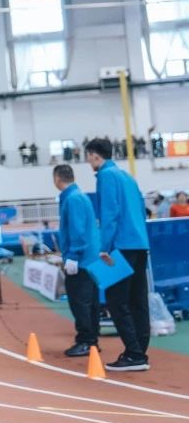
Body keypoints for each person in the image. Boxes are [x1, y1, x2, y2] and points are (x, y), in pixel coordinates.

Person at [85, 138, 151, 372]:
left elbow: (109, 214)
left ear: (95, 155)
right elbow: (142, 210)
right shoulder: (127, 177)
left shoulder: (105, 176)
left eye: (88, 156)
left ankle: (134, 354)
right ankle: (139, 351)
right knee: (138, 300)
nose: (88, 161)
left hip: (120, 246)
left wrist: (104, 247)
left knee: (116, 301)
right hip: (139, 243)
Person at [54, 164, 100, 357]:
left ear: (57, 178)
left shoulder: (72, 199)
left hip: (82, 261)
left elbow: (77, 230)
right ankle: (91, 340)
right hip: (90, 259)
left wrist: (73, 256)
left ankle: (86, 341)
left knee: (80, 302)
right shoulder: (79, 197)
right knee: (90, 302)